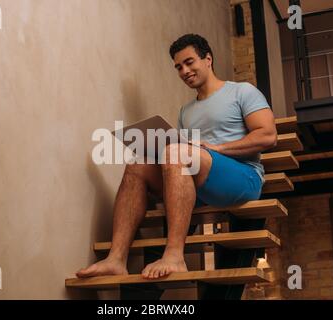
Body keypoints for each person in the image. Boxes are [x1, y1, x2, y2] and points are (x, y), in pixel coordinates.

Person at [76, 33, 277, 280]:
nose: (184, 70)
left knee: (177, 152)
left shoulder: (242, 92)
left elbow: (268, 136)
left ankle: (174, 255)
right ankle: (116, 259)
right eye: (178, 67)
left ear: (208, 59)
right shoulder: (186, 111)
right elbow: (179, 160)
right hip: (198, 182)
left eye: (189, 62)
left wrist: (216, 148)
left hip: (243, 177)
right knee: (138, 164)